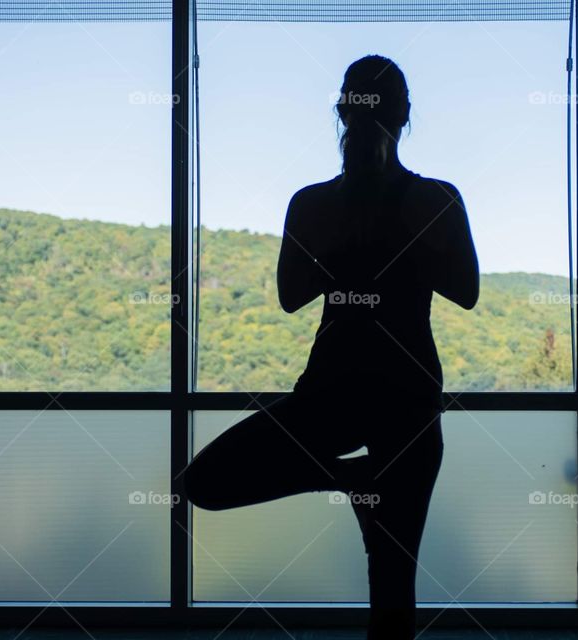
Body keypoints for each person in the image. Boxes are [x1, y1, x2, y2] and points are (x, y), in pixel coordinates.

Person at [184, 54, 479, 640]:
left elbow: (291, 296)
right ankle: (361, 483)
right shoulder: (436, 199)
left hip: (328, 396)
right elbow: (466, 292)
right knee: (394, 591)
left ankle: (352, 481)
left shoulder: (312, 203)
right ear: (407, 116)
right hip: (409, 402)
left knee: (203, 483)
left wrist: (345, 251)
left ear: (341, 112)